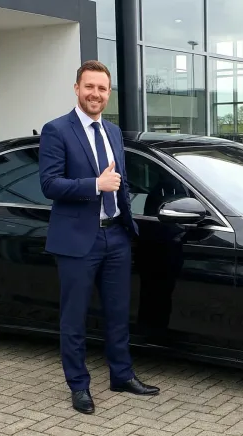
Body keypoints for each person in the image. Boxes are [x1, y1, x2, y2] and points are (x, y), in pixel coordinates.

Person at [38, 60, 159, 414]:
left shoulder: (113, 132)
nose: (96, 94)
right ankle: (78, 386)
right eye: (89, 86)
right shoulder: (56, 130)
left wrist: (127, 217)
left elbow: (120, 180)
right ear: (77, 88)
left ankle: (121, 375)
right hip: (78, 241)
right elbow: (49, 184)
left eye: (102, 89)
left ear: (109, 94)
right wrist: (95, 185)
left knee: (118, 313)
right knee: (74, 318)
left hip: (115, 237)